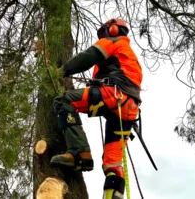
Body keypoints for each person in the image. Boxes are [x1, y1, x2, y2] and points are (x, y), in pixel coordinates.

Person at [50, 18, 142, 198]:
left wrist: (61, 71)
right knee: (112, 163)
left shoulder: (114, 42)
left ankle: (79, 154)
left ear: (114, 30)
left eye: (105, 31)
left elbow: (88, 57)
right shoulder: (127, 55)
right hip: (127, 110)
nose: (103, 36)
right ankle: (113, 196)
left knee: (64, 100)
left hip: (115, 96)